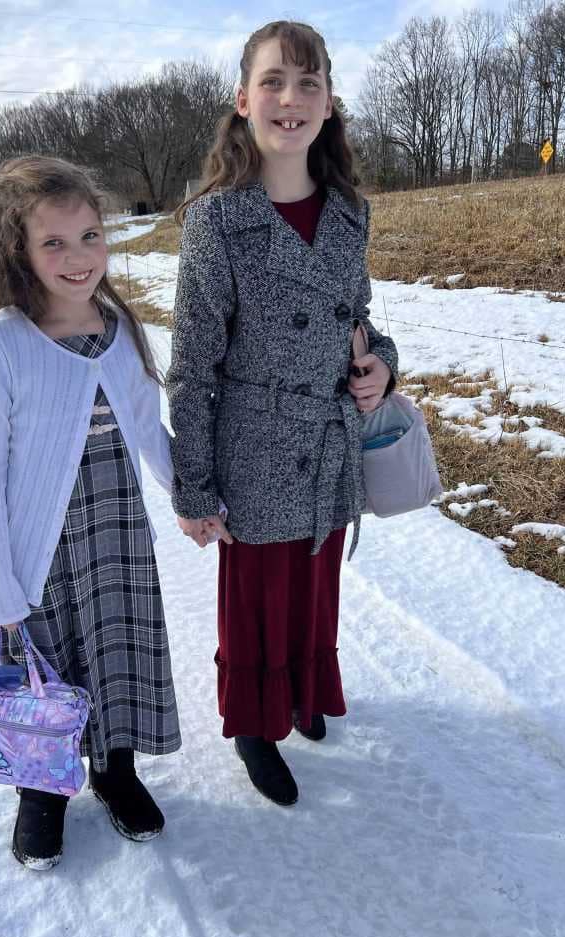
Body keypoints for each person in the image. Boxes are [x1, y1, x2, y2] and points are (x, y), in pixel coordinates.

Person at [167, 20, 399, 806]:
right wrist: (193, 488)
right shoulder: (216, 221)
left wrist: (381, 368)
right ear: (243, 100)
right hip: (253, 442)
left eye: (308, 83)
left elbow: (361, 320)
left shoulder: (349, 212)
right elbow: (192, 367)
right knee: (259, 592)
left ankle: (303, 691)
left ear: (330, 103)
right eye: (273, 81)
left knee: (314, 585)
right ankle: (252, 723)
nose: (290, 98)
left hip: (327, 441)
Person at [0, 155, 180, 869]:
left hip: (116, 534)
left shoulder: (119, 328)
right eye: (53, 242)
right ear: (16, 251)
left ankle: (116, 771)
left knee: (115, 651)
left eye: (89, 235)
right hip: (40, 551)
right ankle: (41, 790)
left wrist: (191, 498)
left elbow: (148, 427)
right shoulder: (1, 345)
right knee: (48, 672)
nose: (78, 257)